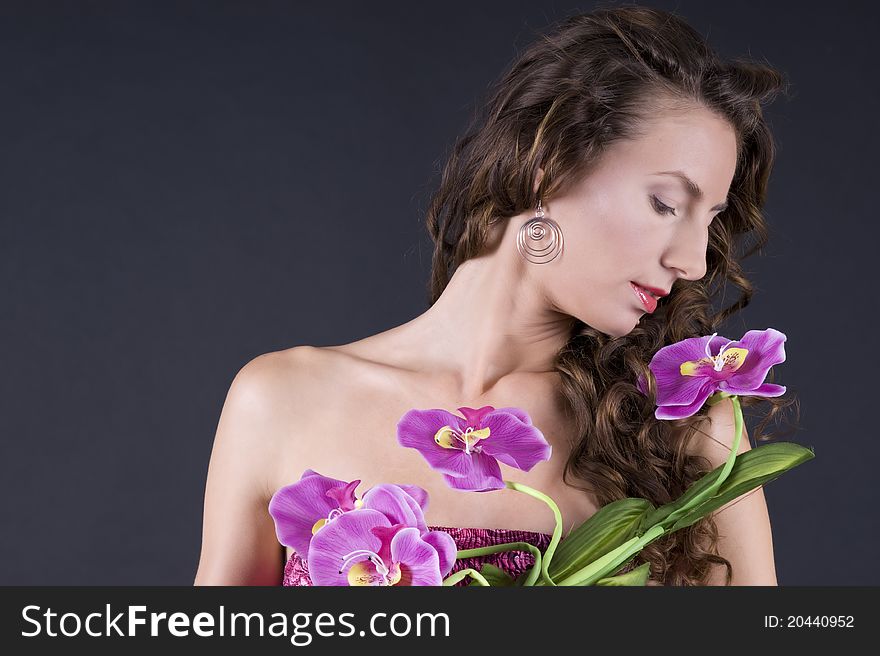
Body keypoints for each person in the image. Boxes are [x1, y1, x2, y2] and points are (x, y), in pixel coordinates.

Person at [194, 6, 795, 586]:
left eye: (708, 220)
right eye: (665, 204)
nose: (691, 260)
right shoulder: (282, 400)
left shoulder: (680, 431)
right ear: (549, 164)